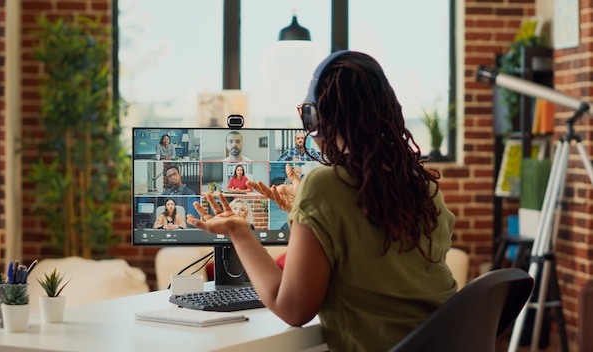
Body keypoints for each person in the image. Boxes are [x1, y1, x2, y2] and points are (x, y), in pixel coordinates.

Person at [186, 51, 456, 351]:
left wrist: (239, 231)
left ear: (318, 117)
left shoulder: (326, 185)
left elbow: (293, 309)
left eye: (307, 113)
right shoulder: (423, 185)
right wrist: (308, 209)